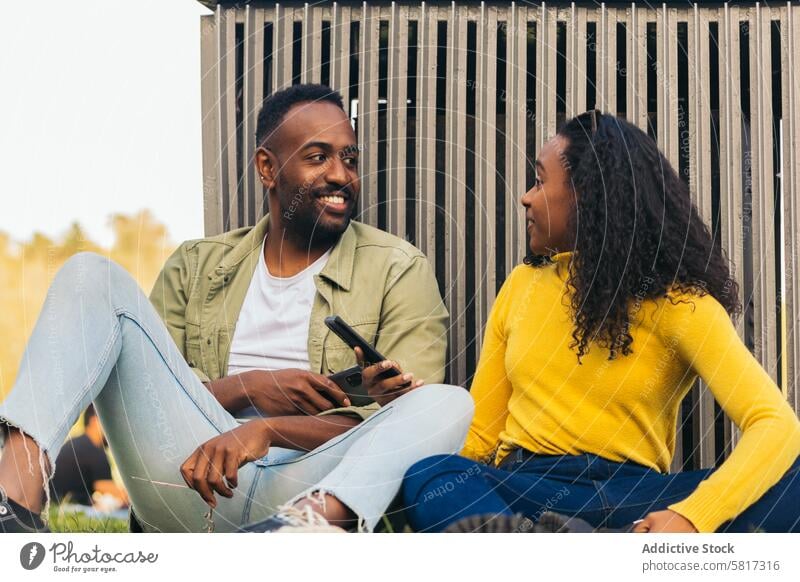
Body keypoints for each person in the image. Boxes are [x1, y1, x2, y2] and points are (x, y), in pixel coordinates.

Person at [0, 84, 473, 533]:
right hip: (190, 474)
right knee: (87, 273)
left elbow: (398, 432)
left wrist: (267, 430)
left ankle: (302, 532)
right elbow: (153, 393)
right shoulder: (196, 264)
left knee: (446, 402)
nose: (340, 175)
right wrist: (251, 390)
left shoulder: (398, 268)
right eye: (317, 157)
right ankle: (14, 505)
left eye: (349, 159)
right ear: (268, 168)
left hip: (313, 482)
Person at [402, 110, 800, 533]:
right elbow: (481, 434)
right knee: (431, 474)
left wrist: (690, 517)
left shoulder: (683, 304)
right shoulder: (522, 285)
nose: (526, 197)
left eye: (540, 181)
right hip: (526, 489)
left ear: (586, 197)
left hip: (637, 499)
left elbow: (776, 425)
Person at [50, 404, 128, 508]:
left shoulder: (74, 443)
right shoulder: (94, 451)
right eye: (111, 424)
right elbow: (111, 490)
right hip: (68, 508)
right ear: (95, 421)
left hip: (54, 504)